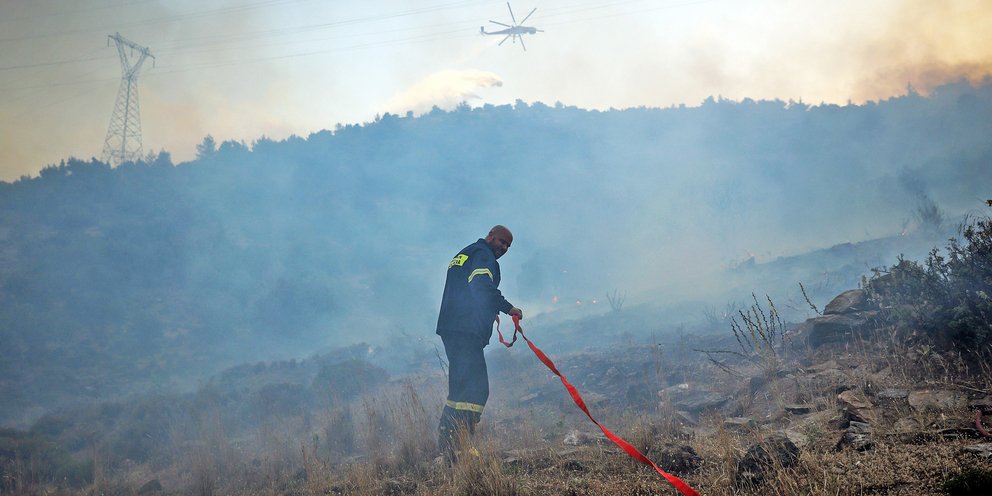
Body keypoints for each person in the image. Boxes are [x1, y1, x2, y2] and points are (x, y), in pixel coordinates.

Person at [435, 225, 523, 462]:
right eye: (502, 242)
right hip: (466, 329)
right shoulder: (483, 254)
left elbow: (468, 288)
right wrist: (507, 308)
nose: (504, 248)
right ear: (491, 236)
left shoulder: (466, 252)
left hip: (452, 327)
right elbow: (481, 286)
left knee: (459, 388)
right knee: (476, 389)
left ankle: (447, 445)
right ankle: (461, 445)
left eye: (508, 246)